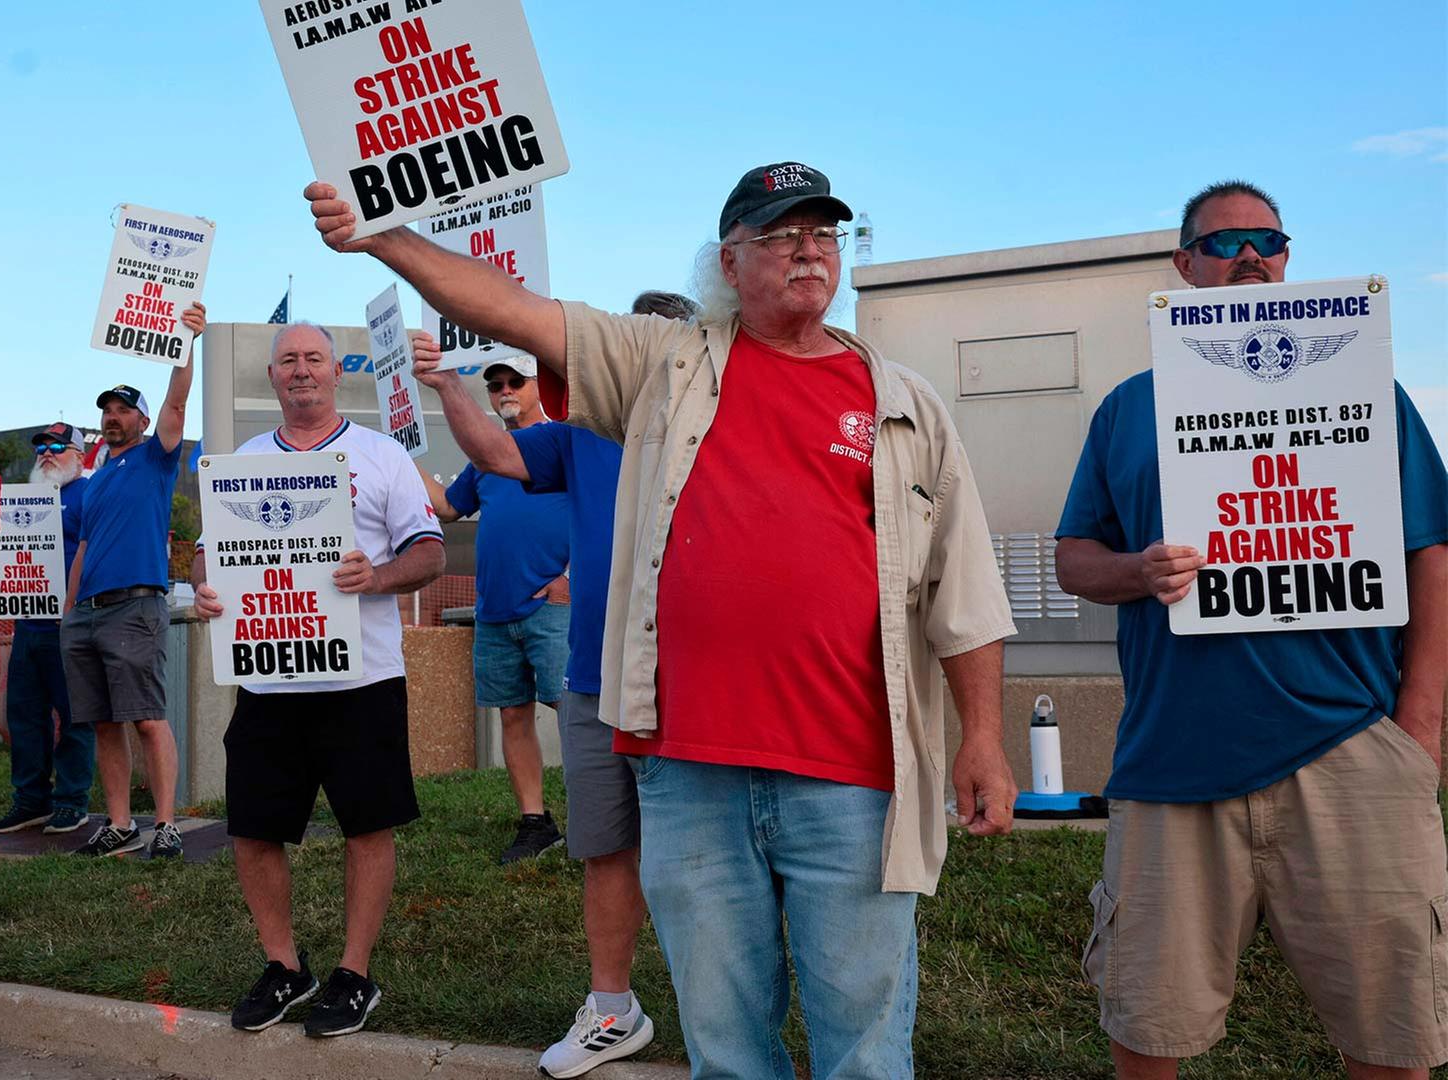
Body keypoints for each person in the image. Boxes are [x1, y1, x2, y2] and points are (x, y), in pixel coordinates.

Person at [306, 162, 1019, 1077]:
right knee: (725, 1051)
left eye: (823, 233)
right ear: (729, 259)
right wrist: (384, 237)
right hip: (690, 775)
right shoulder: (663, 364)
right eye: (780, 234)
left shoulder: (904, 404)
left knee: (867, 1050)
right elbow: (515, 311)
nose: (808, 249)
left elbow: (963, 589)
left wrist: (985, 738)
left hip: (851, 777)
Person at [1054, 180, 1448, 1079]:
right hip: (1172, 758)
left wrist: (1419, 731)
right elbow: (1076, 556)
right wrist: (1135, 571)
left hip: (1350, 745)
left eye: (1268, 241)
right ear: (1183, 265)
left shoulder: (1368, 392)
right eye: (1225, 243)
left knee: (1393, 1032)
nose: (1249, 257)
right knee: (1149, 1026)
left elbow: (1431, 553)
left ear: (1287, 259)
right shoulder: (1127, 408)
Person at [414, 290, 695, 1076]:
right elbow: (498, 458)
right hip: (593, 678)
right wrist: (448, 388)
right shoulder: (579, 434)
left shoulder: (723, 424)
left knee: (707, 851)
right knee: (605, 845)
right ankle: (613, 1009)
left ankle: (723, 1013)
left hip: (696, 677)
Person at [191, 321, 445, 1039]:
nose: (301, 370)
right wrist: (205, 588)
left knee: (368, 824)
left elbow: (427, 552)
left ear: (338, 374)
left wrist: (378, 575)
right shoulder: (241, 459)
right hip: (269, 684)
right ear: (272, 378)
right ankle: (285, 967)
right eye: (288, 361)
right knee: (252, 828)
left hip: (360, 680)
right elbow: (208, 556)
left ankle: (354, 973)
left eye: (314, 359)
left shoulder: (381, 454)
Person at [61, 302, 205, 860]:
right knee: (102, 721)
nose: (114, 415)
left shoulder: (155, 457)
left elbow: (177, 399)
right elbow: (85, 547)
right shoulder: (94, 480)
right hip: (88, 612)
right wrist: (72, 610)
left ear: (142, 421)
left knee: (146, 717)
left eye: (124, 409)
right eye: (109, 409)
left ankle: (165, 825)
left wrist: (187, 341)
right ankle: (120, 824)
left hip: (135, 606)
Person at [422, 355, 571, 863]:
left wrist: (570, 579)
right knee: (513, 716)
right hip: (495, 612)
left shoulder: (564, 441)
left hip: (552, 607)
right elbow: (447, 506)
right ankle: (536, 822)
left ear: (538, 386)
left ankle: (605, 818)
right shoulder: (485, 458)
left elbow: (607, 511)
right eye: (495, 385)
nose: (505, 390)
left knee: (576, 712)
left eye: (515, 381)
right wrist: (402, 458)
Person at [0, 423, 95, 837]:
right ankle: (31, 799)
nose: (47, 454)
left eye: (58, 447)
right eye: (41, 449)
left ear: (80, 457)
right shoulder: (21, 498)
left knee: (73, 715)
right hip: (28, 620)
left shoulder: (87, 493)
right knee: (25, 714)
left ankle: (71, 801)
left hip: (69, 623)